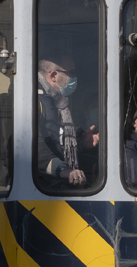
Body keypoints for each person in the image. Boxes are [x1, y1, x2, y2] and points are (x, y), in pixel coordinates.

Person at [37, 53, 98, 189]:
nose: (75, 78)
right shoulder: (34, 103)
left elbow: (56, 140)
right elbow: (32, 148)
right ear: (53, 76)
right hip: (43, 187)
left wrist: (81, 143)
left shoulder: (58, 103)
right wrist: (63, 170)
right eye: (71, 72)